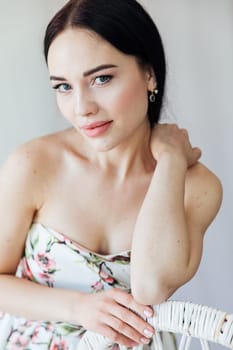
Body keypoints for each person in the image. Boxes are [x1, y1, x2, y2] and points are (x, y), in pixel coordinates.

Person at [0, 0, 222, 349]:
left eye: (101, 79)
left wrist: (171, 163)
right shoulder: (33, 164)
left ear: (149, 73)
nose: (82, 108)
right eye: (63, 87)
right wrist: (79, 308)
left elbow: (151, 286)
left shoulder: (195, 186)